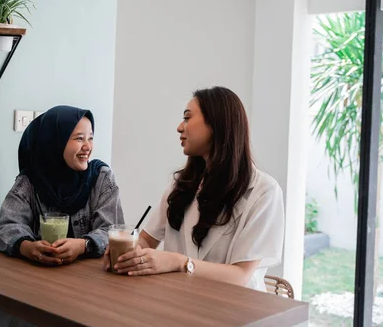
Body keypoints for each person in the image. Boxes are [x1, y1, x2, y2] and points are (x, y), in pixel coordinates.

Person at [105, 87, 284, 291]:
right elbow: (147, 239)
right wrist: (129, 254)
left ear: (217, 124)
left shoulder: (264, 192)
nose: (180, 127)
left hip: (235, 311)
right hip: (181, 303)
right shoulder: (183, 184)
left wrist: (179, 263)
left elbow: (240, 275)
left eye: (188, 118)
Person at [0, 105, 124, 265]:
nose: (88, 147)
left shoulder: (102, 178)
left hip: (91, 279)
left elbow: (114, 231)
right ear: (55, 142)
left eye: (90, 138)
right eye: (79, 138)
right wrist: (27, 247)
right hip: (38, 276)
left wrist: (84, 245)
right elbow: (5, 226)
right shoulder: (31, 180)